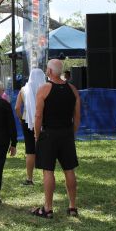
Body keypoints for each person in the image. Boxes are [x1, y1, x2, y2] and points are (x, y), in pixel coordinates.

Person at [32, 59, 81, 218]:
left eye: (47, 69)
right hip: (66, 133)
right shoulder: (72, 89)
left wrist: (37, 134)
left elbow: (38, 115)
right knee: (69, 169)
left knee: (48, 171)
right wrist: (71, 133)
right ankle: (72, 206)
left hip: (49, 134)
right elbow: (77, 117)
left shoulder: (44, 89)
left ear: (50, 71)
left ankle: (48, 208)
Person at [15, 68, 46, 185]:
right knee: (45, 149)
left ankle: (29, 178)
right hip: (44, 121)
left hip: (27, 121)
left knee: (30, 150)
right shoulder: (47, 88)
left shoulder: (23, 90)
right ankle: (46, 177)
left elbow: (17, 108)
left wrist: (20, 118)